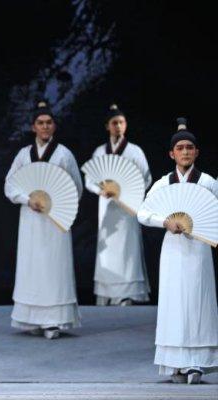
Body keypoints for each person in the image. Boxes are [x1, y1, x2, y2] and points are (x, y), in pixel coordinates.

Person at [138, 118, 218, 384]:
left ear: (197, 152)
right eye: (180, 148)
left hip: (199, 249)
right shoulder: (164, 184)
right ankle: (175, 361)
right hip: (172, 250)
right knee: (173, 302)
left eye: (189, 147)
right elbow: (142, 212)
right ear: (171, 154)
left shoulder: (207, 183)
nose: (185, 152)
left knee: (197, 301)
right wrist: (164, 222)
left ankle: (195, 362)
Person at [4, 101, 83, 339]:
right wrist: (27, 199)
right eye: (40, 123)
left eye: (49, 123)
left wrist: (59, 203)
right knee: (31, 266)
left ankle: (54, 321)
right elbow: (10, 184)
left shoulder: (64, 154)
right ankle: (31, 318)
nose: (45, 126)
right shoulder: (23, 155)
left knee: (55, 267)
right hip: (31, 219)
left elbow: (76, 187)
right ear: (33, 127)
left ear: (54, 126)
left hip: (56, 219)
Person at [85, 104, 152, 306]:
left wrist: (129, 192)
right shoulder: (100, 152)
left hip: (127, 207)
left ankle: (128, 294)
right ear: (107, 126)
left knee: (128, 249)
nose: (119, 126)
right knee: (107, 250)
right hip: (107, 208)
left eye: (122, 122)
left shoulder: (134, 151)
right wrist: (100, 190)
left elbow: (146, 178)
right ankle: (107, 293)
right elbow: (89, 179)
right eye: (114, 123)